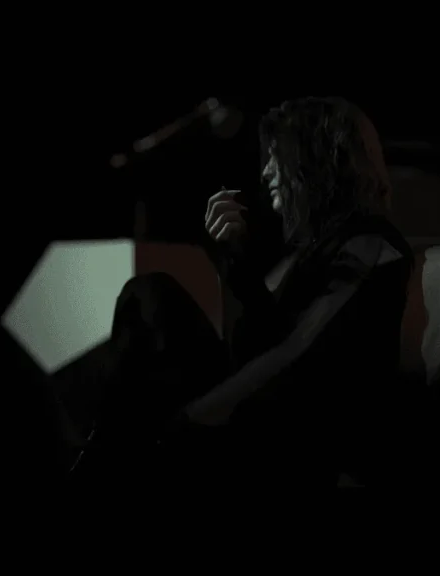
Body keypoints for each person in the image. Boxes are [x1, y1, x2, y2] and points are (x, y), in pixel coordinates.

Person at [82, 97, 414, 487]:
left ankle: (104, 461)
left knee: (149, 301)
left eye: (277, 156)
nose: (267, 171)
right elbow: (262, 341)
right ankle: (103, 455)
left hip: (301, 440)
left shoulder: (370, 243)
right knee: (150, 297)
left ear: (315, 160)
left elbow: (296, 352)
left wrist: (192, 420)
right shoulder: (318, 248)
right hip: (272, 413)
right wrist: (235, 258)